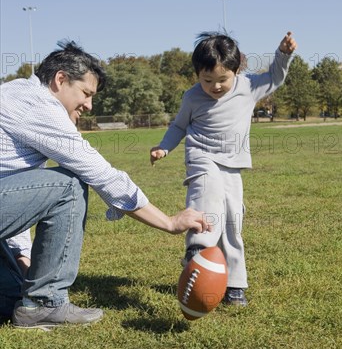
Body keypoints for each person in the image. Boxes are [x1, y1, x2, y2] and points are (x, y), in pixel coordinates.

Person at [0, 41, 211, 330]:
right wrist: (170, 222)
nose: (89, 105)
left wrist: (24, 260)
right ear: (60, 79)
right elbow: (100, 173)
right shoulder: (38, 105)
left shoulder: (18, 94)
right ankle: (47, 303)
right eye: (86, 93)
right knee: (69, 185)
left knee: (11, 298)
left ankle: (34, 304)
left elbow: (15, 195)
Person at [150, 31, 297, 306]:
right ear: (197, 75)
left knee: (232, 221)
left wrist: (283, 54)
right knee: (208, 196)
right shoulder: (192, 97)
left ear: (236, 70)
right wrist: (164, 147)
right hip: (202, 157)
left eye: (222, 80)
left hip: (233, 164)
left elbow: (276, 77)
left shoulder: (249, 86)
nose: (215, 86)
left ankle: (234, 284)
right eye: (207, 80)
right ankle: (199, 248)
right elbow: (179, 126)